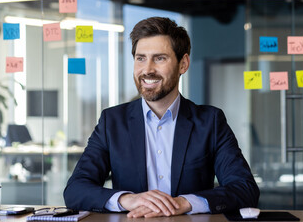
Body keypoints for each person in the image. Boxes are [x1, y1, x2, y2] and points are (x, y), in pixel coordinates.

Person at [63, 17, 260, 218]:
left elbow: (245, 189)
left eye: (159, 58)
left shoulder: (210, 122)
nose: (147, 69)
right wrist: (128, 199)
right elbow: (76, 190)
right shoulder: (112, 122)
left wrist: (186, 202)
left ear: (183, 64)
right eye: (140, 58)